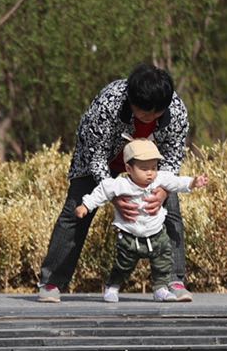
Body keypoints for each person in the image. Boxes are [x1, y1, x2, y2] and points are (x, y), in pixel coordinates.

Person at [35, 63, 194, 302]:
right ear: (130, 100)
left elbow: (172, 156)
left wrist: (162, 189)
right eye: (143, 112)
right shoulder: (109, 102)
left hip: (150, 165)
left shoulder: (177, 110)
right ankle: (51, 283)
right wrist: (114, 195)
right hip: (101, 160)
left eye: (155, 114)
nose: (149, 118)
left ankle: (174, 280)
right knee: (76, 210)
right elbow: (95, 153)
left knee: (169, 210)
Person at [75, 138, 210, 303]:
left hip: (156, 233)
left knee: (163, 261)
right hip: (129, 235)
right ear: (128, 168)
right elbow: (101, 191)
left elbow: (176, 182)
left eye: (154, 167)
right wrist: (86, 206)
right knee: (123, 264)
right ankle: (113, 286)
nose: (150, 173)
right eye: (144, 168)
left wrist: (193, 182)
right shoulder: (120, 184)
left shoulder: (160, 179)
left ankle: (160, 288)